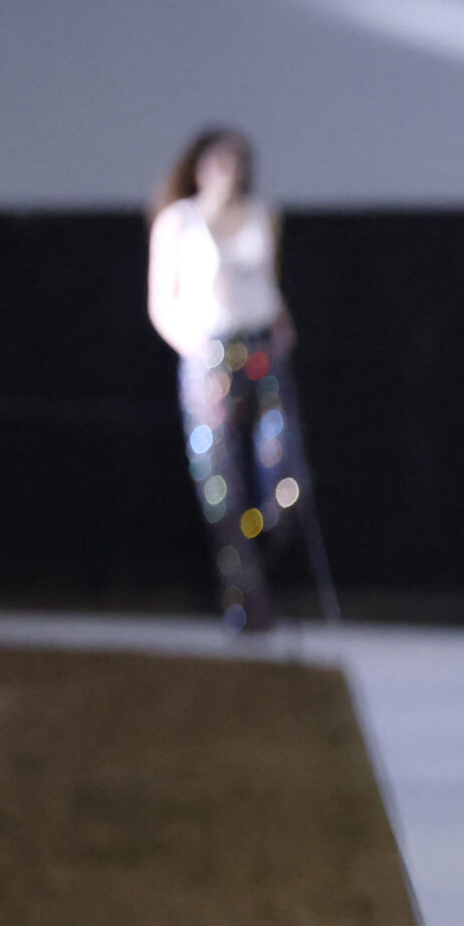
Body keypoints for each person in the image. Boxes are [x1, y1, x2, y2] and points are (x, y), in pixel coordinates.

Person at [147, 127, 308, 633]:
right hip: (208, 356)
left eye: (235, 161)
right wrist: (198, 353)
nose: (226, 171)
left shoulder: (263, 215)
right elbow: (161, 303)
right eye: (217, 160)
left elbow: (268, 286)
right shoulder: (179, 220)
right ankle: (246, 599)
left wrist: (281, 327)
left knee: (284, 477)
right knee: (221, 486)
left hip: (261, 352)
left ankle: (266, 554)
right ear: (198, 166)